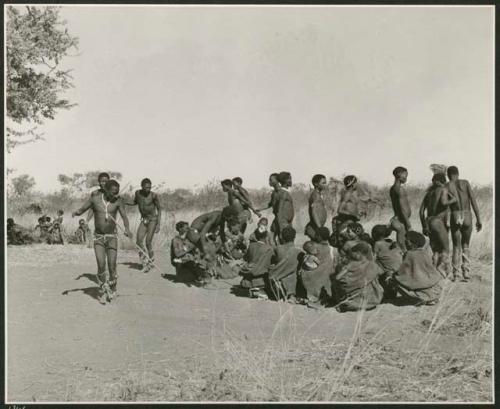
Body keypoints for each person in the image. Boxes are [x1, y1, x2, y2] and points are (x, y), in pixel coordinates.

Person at [72, 179, 132, 304]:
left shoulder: (118, 201)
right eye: (113, 193)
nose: (115, 195)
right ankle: (104, 288)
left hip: (112, 237)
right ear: (105, 190)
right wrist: (76, 213)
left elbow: (124, 216)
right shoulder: (95, 199)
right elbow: (83, 208)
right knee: (101, 265)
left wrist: (127, 229)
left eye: (117, 193)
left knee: (112, 265)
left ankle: (113, 287)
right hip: (98, 237)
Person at [446, 166, 483, 281]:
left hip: (455, 214)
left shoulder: (447, 186)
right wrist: (478, 219)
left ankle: (456, 274)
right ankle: (466, 272)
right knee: (465, 244)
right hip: (467, 215)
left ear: (448, 175)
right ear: (458, 173)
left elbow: (445, 205)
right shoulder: (465, 183)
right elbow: (473, 201)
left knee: (456, 246)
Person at [419, 173, 457, 279]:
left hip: (429, 222)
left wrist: (424, 226)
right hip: (438, 221)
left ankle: (434, 272)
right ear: (443, 181)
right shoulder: (443, 190)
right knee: (445, 249)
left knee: (436, 250)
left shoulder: (428, 193)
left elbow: (421, 212)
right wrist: (453, 199)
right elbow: (444, 202)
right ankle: (442, 268)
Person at [391, 231, 443, 305]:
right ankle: (431, 297)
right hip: (430, 283)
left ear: (412, 243)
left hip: (418, 284)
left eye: (407, 241)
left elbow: (402, 272)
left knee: (393, 280)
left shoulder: (409, 254)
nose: (405, 242)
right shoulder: (424, 252)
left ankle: (419, 298)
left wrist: (394, 275)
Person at [334, 242, 384, 312]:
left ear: (358, 253)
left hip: (354, 294)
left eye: (353, 252)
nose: (351, 255)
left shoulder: (351, 264)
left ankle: (349, 304)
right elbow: (380, 272)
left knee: (336, 283)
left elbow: (338, 277)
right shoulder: (372, 264)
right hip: (372, 299)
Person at [125, 178, 162, 272]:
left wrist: (158, 224)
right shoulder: (138, 193)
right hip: (144, 220)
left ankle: (151, 259)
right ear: (142, 187)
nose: (148, 189)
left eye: (149, 187)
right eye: (146, 187)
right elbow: (134, 202)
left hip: (153, 220)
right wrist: (124, 202)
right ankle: (145, 262)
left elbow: (159, 209)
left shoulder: (154, 195)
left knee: (148, 242)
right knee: (138, 242)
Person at [298, 227, 334, 309]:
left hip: (317, 274)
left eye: (316, 235)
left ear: (319, 236)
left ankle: (312, 296)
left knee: (302, 271)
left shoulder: (315, 246)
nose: (315, 236)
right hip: (329, 273)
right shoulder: (331, 248)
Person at [267, 226, 302, 303]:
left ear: (281, 237)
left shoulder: (278, 249)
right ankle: (291, 295)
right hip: (292, 280)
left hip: (278, 276)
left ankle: (281, 289)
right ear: (294, 237)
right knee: (294, 272)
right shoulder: (298, 252)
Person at [239, 228, 274, 299]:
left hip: (247, 279)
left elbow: (246, 258)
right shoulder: (268, 248)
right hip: (260, 279)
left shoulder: (251, 246)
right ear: (266, 236)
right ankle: (259, 291)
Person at [371, 224, 403, 301]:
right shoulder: (391, 242)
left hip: (389, 270)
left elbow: (373, 258)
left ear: (374, 235)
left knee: (375, 263)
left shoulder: (377, 244)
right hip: (399, 267)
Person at [389, 166, 412, 252]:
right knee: (402, 247)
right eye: (405, 175)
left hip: (400, 219)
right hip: (401, 221)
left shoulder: (393, 188)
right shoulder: (399, 190)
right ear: (399, 174)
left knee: (403, 245)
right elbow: (402, 209)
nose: (406, 177)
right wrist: (408, 224)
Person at [271, 171, 294, 245]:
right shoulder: (283, 193)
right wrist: (281, 229)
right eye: (289, 179)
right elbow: (279, 210)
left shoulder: (284, 192)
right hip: (283, 222)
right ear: (284, 181)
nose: (291, 181)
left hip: (286, 221)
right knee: (285, 241)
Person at [305, 174, 328, 242]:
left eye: (325, 182)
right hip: (314, 228)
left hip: (317, 227)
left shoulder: (319, 195)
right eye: (323, 183)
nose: (325, 184)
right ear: (316, 184)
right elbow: (314, 211)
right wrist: (320, 228)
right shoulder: (315, 195)